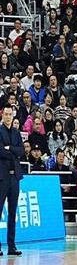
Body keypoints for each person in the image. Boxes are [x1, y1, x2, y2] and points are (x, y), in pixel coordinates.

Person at [0, 105, 24, 256]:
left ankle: (11, 246)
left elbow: (21, 150)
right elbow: (0, 151)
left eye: (10, 114)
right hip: (2, 177)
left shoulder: (16, 132)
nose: (8, 117)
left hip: (15, 176)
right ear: (2, 115)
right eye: (6, 114)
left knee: (13, 212)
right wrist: (12, 152)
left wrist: (10, 149)